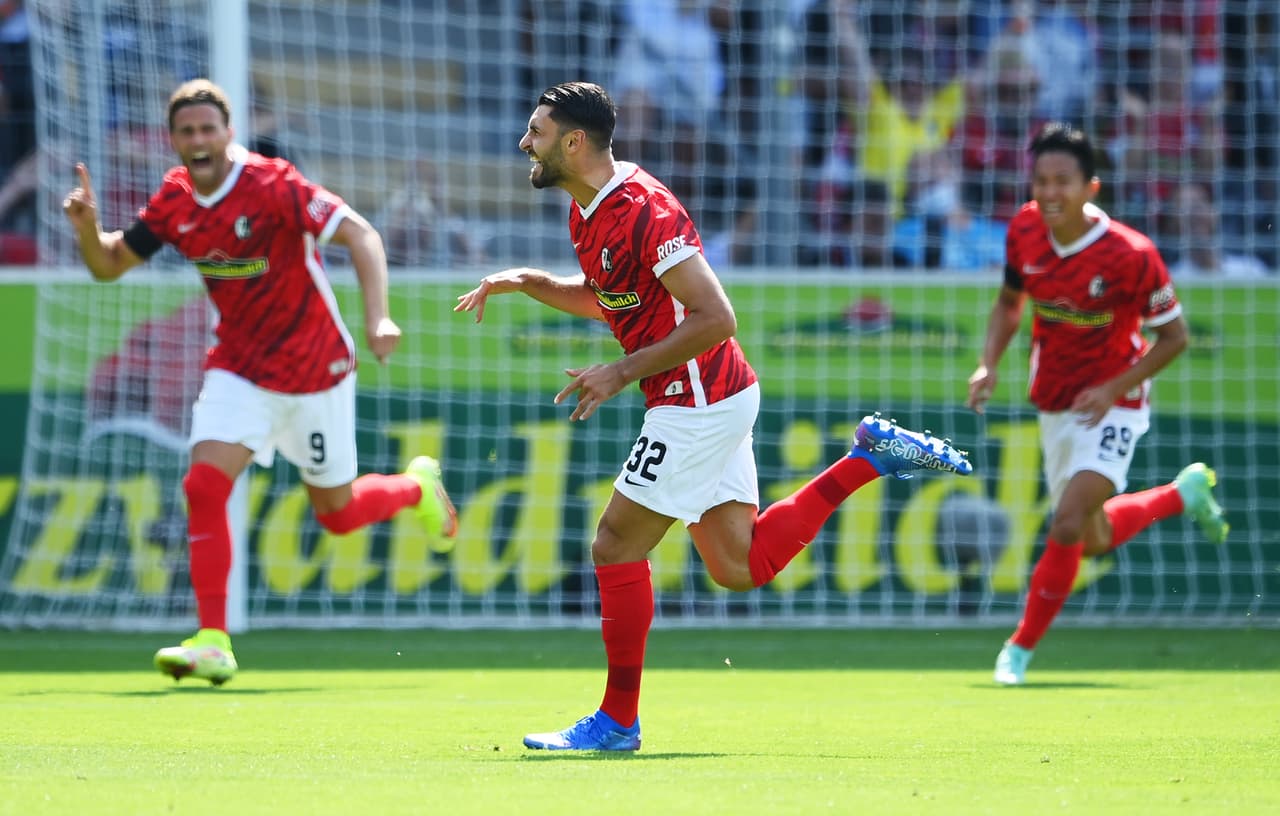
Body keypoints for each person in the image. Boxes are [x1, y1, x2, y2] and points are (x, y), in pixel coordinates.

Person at [455, 81, 973, 751]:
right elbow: (610, 296)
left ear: (574, 141)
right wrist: (526, 280)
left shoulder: (646, 209)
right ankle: (867, 457)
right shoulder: (586, 211)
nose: (526, 141)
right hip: (710, 394)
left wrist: (621, 370)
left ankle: (616, 722)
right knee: (739, 565)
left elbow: (717, 316)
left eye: (538, 131)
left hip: (694, 398)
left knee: (614, 546)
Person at [61, 78, 458, 686]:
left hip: (315, 370)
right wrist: (89, 227)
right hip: (239, 369)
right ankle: (214, 640)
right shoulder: (174, 200)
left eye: (208, 129)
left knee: (338, 513)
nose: (198, 141)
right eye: (187, 132)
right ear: (174, 140)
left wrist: (378, 314)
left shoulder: (274, 186)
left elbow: (361, 235)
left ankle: (415, 487)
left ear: (228, 133)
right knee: (202, 484)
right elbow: (109, 265)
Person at [965, 123, 1229, 687]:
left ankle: (1018, 650)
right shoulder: (1024, 232)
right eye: (1040, 181)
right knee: (1091, 535)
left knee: (1064, 523)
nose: (1050, 192)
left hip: (1116, 401)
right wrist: (990, 361)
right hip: (1056, 402)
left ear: (1092, 187)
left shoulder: (1132, 256)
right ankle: (1181, 495)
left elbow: (1175, 335)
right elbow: (1010, 303)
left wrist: (1113, 387)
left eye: (1063, 181)